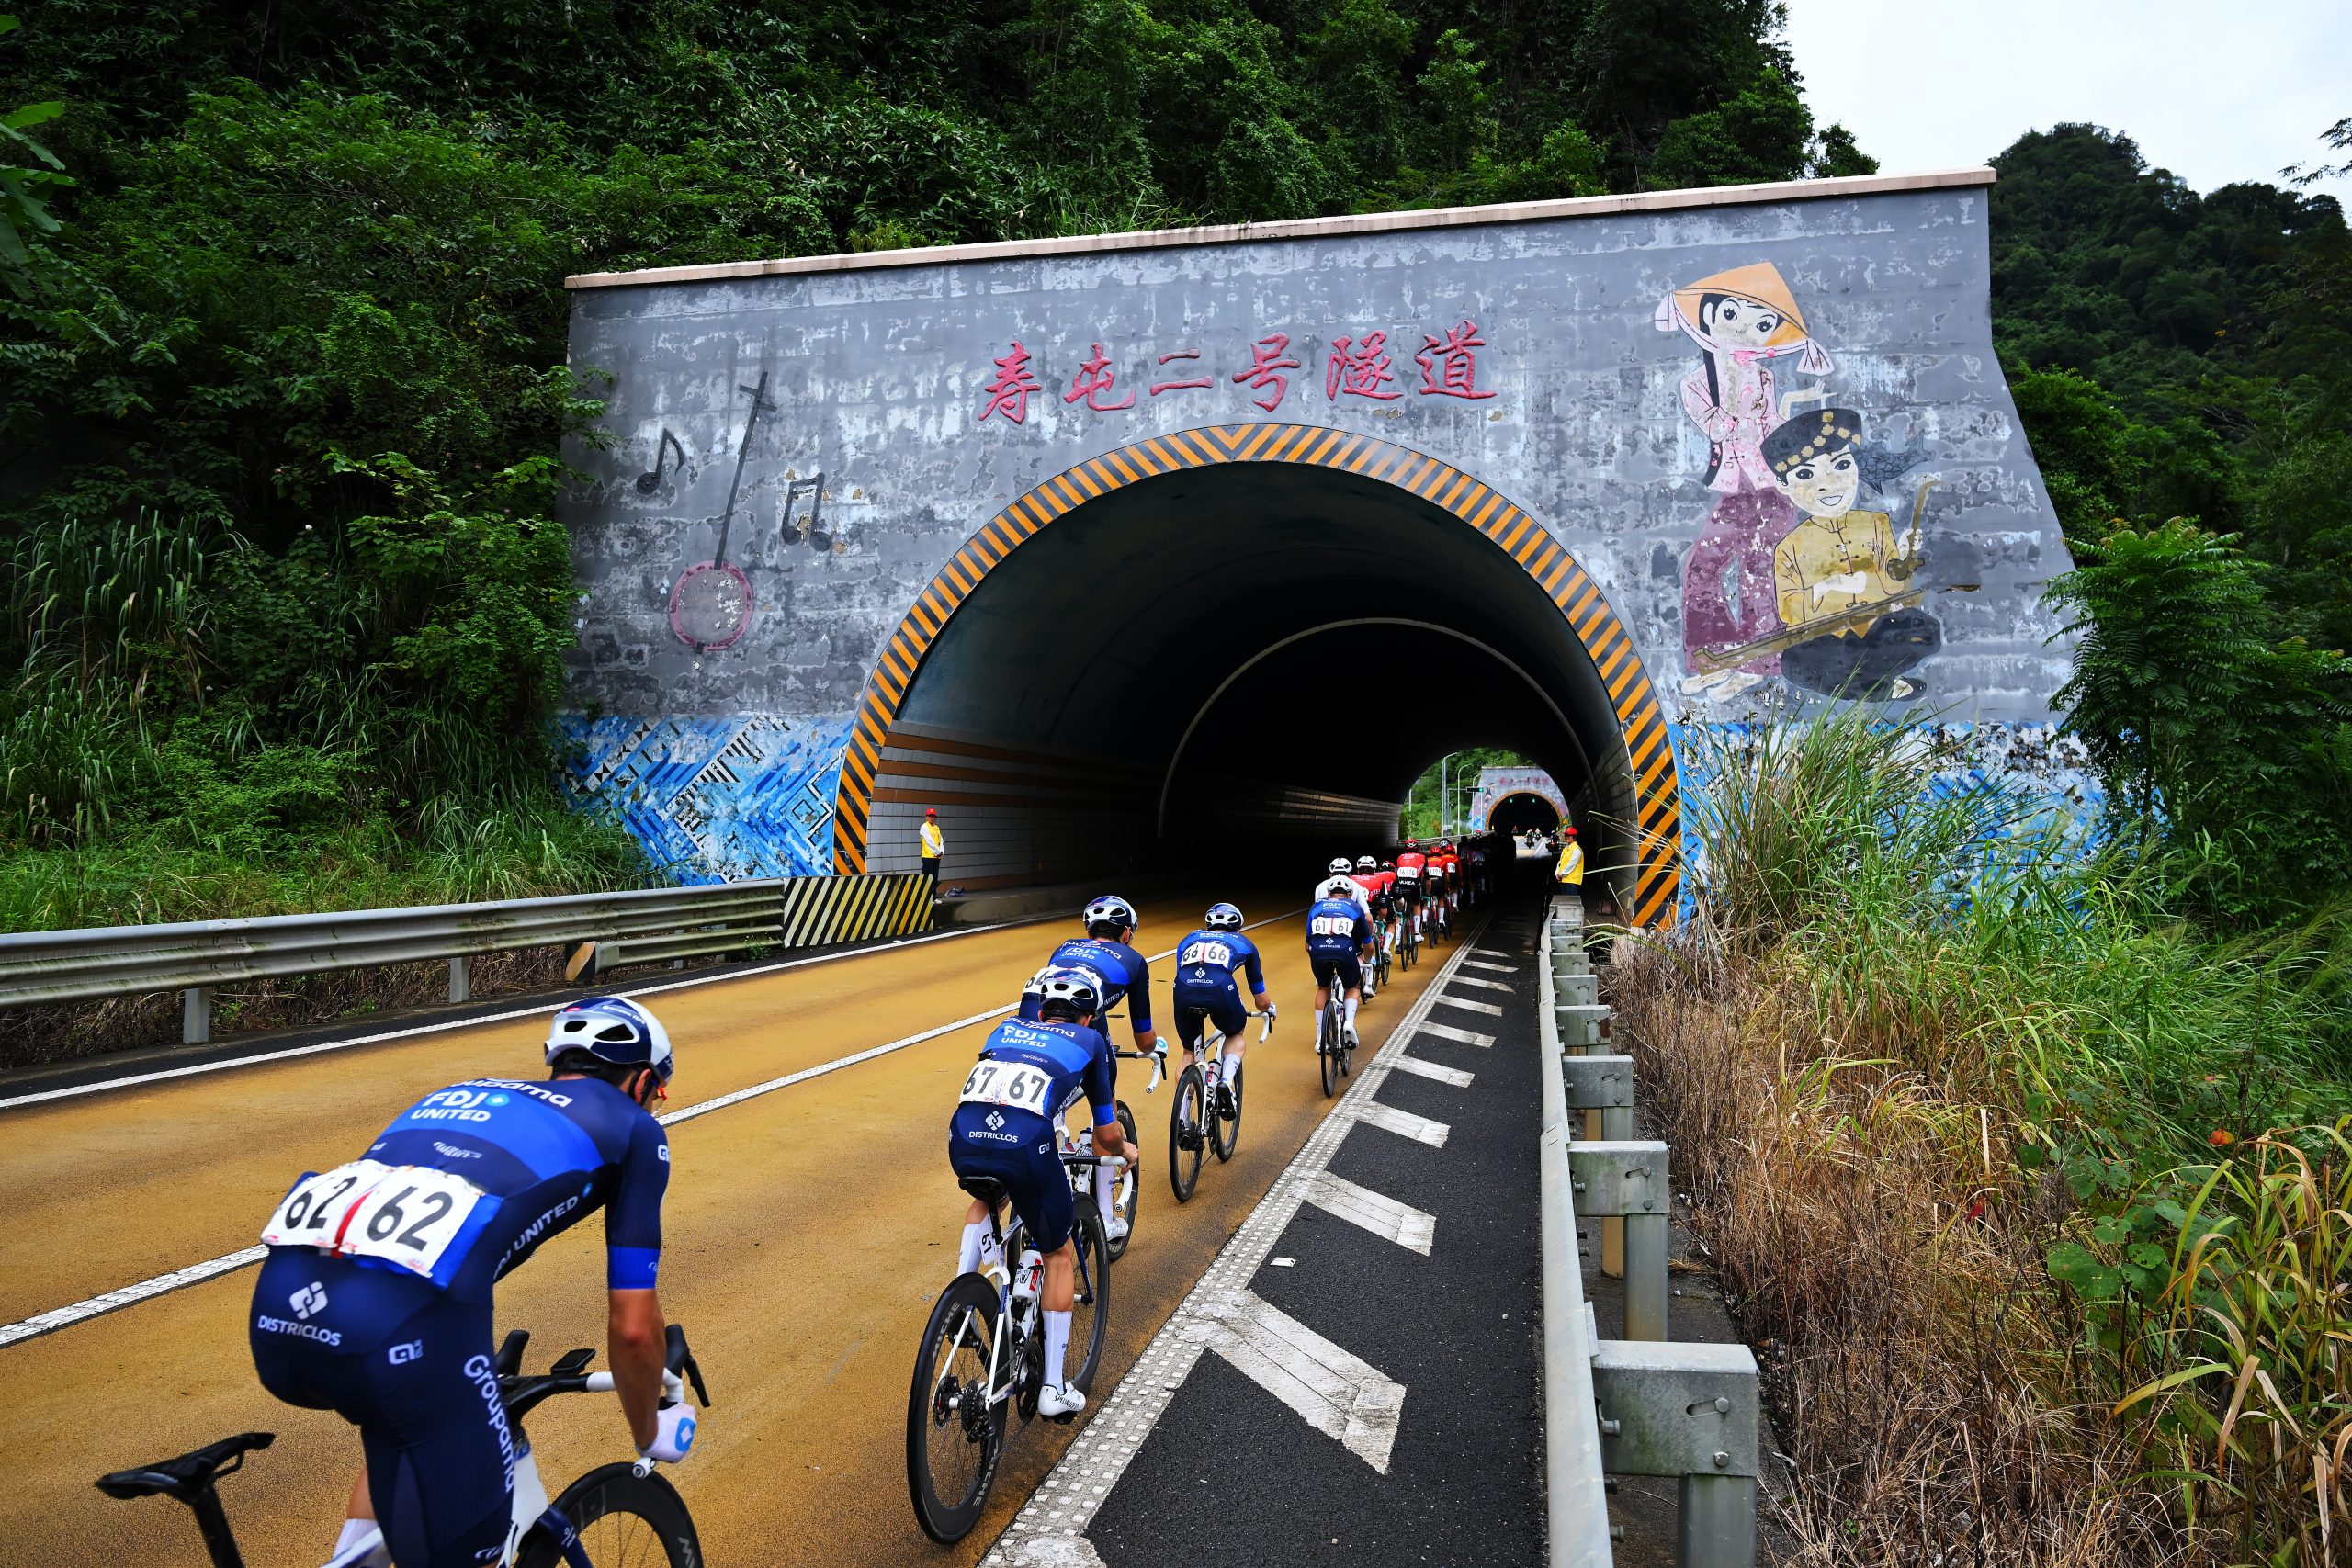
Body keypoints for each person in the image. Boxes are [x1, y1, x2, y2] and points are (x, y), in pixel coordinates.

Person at [250, 997, 687, 1568]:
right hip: (399, 1336)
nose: (654, 1105)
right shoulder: (635, 1129)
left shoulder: (462, 1092)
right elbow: (634, 1329)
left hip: (279, 1307)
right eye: (657, 1094)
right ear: (644, 1082)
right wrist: (650, 1430)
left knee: (409, 1425)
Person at [950, 969, 1130, 1418]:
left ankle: (962, 1297)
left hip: (963, 1136)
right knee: (1059, 1253)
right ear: (1089, 1018)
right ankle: (1052, 1387)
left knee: (988, 1198)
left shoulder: (1007, 1026)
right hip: (1027, 1142)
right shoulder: (1090, 1042)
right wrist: (1126, 1149)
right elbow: (1105, 1133)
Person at [1758, 407, 1942, 701]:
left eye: (1841, 466)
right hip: (1828, 638)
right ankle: (1881, 687)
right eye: (1806, 474)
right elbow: (1788, 609)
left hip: (1876, 631)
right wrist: (1829, 587)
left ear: (1855, 467)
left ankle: (1869, 681)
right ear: (1784, 484)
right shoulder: (1789, 547)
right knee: (1795, 663)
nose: (1829, 483)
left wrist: (1902, 558)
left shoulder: (1876, 523)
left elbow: (1894, 586)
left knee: (1926, 630)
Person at [1022, 896, 1159, 1241]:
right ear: (1127, 933)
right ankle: (1105, 1219)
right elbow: (1142, 1036)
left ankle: (1055, 1142)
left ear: (1088, 930)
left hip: (1033, 1013)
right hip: (1080, 1015)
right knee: (1104, 1105)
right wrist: (1153, 1049)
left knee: (1046, 1087)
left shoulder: (1065, 947)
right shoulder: (1133, 960)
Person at [1169, 903, 1274, 1116]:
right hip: (1219, 988)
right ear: (1238, 928)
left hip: (1183, 989)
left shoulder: (1189, 938)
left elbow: (1183, 972)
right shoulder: (1244, 943)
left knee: (1190, 1053)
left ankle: (1182, 1118)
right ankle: (1225, 1081)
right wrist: (1269, 1007)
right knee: (1235, 1033)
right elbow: (1261, 1000)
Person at [1306, 874, 1374, 1052]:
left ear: (1328, 894)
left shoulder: (1316, 906)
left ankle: (1321, 1039)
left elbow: (1307, 944)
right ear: (1350, 894)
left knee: (1323, 988)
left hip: (1318, 951)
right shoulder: (1354, 906)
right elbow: (1368, 944)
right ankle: (1349, 1024)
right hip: (1345, 951)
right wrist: (1366, 961)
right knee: (1352, 987)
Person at [1394, 839, 1428, 946]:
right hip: (1414, 884)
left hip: (1401, 885)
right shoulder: (1423, 857)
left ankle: (1398, 939)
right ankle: (1417, 934)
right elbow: (1426, 878)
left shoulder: (1399, 858)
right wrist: (1427, 891)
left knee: (1400, 910)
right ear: (1417, 848)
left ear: (1405, 849)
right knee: (1417, 904)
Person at [919, 807, 945, 891]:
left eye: (933, 816)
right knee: (927, 878)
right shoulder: (924, 827)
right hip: (928, 856)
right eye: (930, 816)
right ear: (926, 817)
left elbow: (940, 840)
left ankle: (933, 897)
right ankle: (926, 898)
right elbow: (929, 842)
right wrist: (938, 851)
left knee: (934, 877)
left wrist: (941, 851)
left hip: (936, 857)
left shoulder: (936, 827)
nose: (932, 817)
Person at [1555, 826, 1585, 891]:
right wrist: (1557, 873)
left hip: (1572, 882)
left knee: (1571, 901)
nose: (1566, 837)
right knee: (1565, 901)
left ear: (1574, 837)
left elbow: (1571, 865)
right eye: (1566, 835)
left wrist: (1561, 875)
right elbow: (1560, 862)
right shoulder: (1566, 848)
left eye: (1569, 835)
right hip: (1563, 880)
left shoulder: (1577, 850)